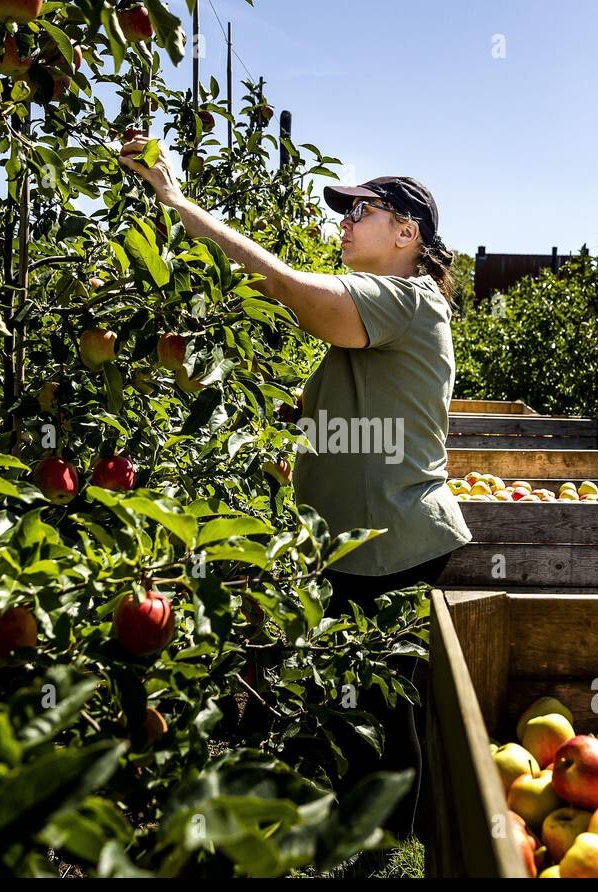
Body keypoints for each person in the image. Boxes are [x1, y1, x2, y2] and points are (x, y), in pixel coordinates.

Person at [120, 136, 470, 839]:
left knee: (377, 708)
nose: (343, 222)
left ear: (408, 233)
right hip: (362, 535)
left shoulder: (404, 300)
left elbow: (282, 285)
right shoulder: (388, 312)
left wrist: (178, 201)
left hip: (388, 540)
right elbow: (338, 399)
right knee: (360, 695)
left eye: (360, 210)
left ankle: (384, 842)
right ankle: (363, 832)